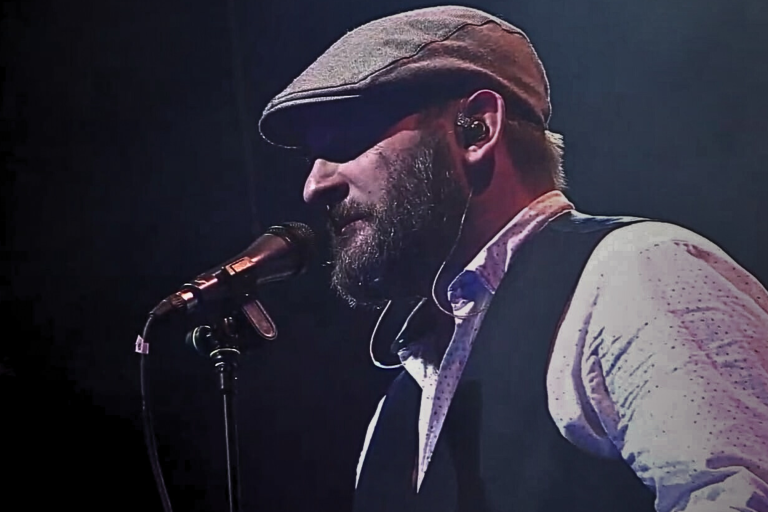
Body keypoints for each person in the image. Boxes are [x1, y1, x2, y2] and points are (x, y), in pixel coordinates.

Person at [258, 5, 768, 512]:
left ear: (476, 130)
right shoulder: (398, 407)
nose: (314, 185)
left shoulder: (633, 275)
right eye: (313, 155)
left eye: (346, 138)